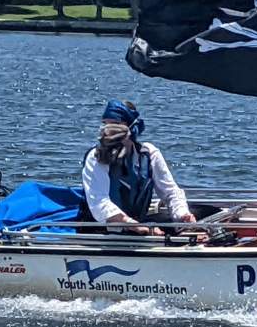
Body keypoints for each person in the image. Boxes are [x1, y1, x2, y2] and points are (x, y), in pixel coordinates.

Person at [80, 99, 195, 235]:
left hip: (137, 224)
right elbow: (99, 203)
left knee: (205, 211)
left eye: (116, 124)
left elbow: (170, 192)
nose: (108, 130)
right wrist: (137, 226)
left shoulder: (149, 153)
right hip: (102, 230)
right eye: (105, 124)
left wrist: (182, 214)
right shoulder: (96, 157)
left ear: (131, 127)